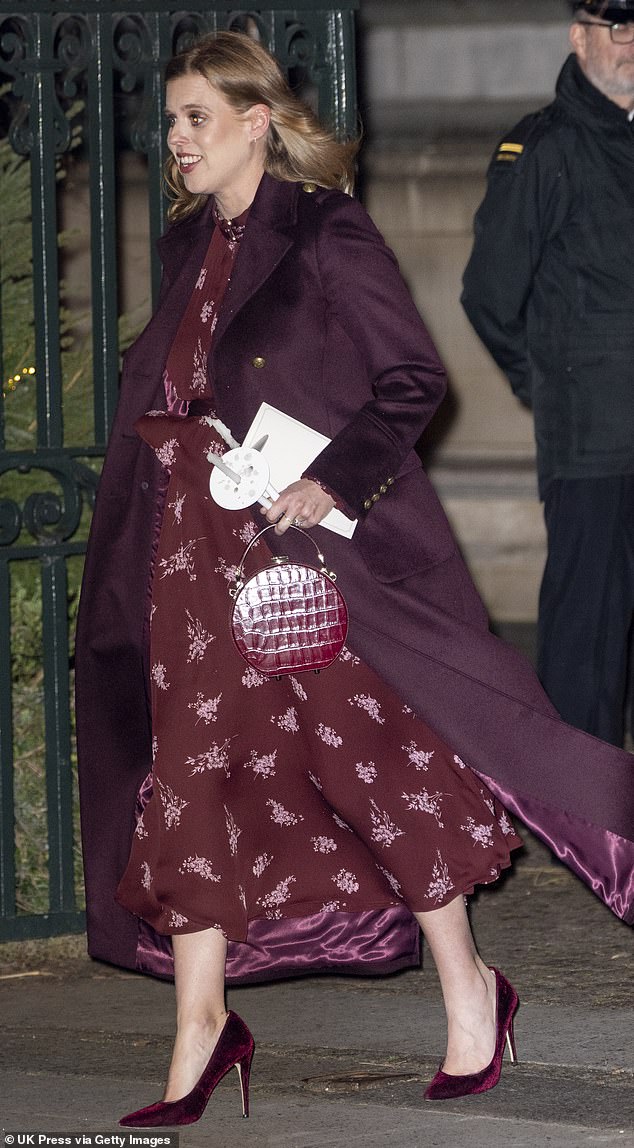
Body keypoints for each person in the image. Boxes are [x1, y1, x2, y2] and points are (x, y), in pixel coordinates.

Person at [75, 31, 633, 1130]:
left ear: (253, 121)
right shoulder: (192, 243)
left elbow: (414, 379)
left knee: (369, 760)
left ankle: (469, 984)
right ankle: (199, 1028)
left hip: (299, 560)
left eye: (195, 117)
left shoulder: (326, 230)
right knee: (190, 777)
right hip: (190, 561)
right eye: (173, 120)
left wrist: (331, 482)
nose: (175, 138)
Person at [462, 0, 634, 746]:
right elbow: (490, 295)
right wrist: (555, 384)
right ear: (580, 35)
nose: (633, 46)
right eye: (620, 29)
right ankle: (587, 822)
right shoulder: (545, 149)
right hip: (595, 438)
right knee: (588, 633)